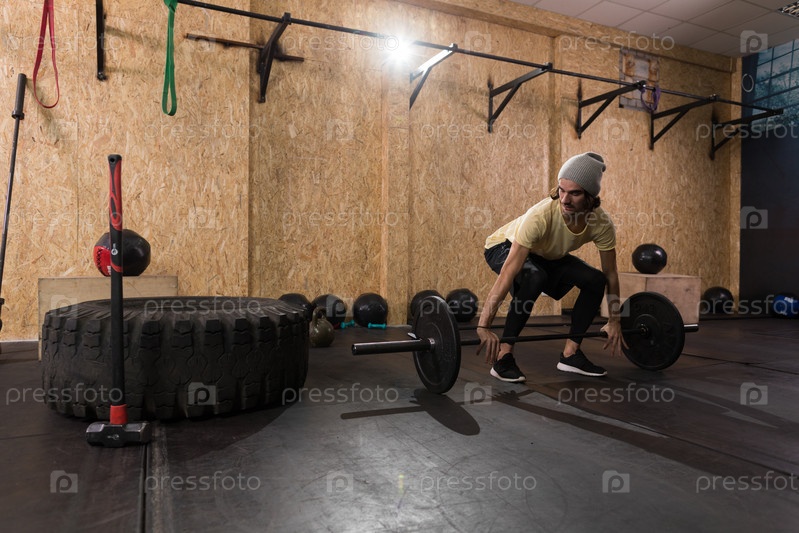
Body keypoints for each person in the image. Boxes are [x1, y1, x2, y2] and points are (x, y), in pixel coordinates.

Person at [476, 152, 625, 382]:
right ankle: (503, 357)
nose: (565, 199)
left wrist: (615, 319)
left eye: (574, 193)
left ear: (591, 196)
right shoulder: (541, 216)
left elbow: (611, 274)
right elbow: (508, 273)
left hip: (546, 255)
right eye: (561, 190)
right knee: (535, 276)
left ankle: (571, 354)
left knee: (595, 280)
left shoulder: (601, 223)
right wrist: (483, 326)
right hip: (502, 246)